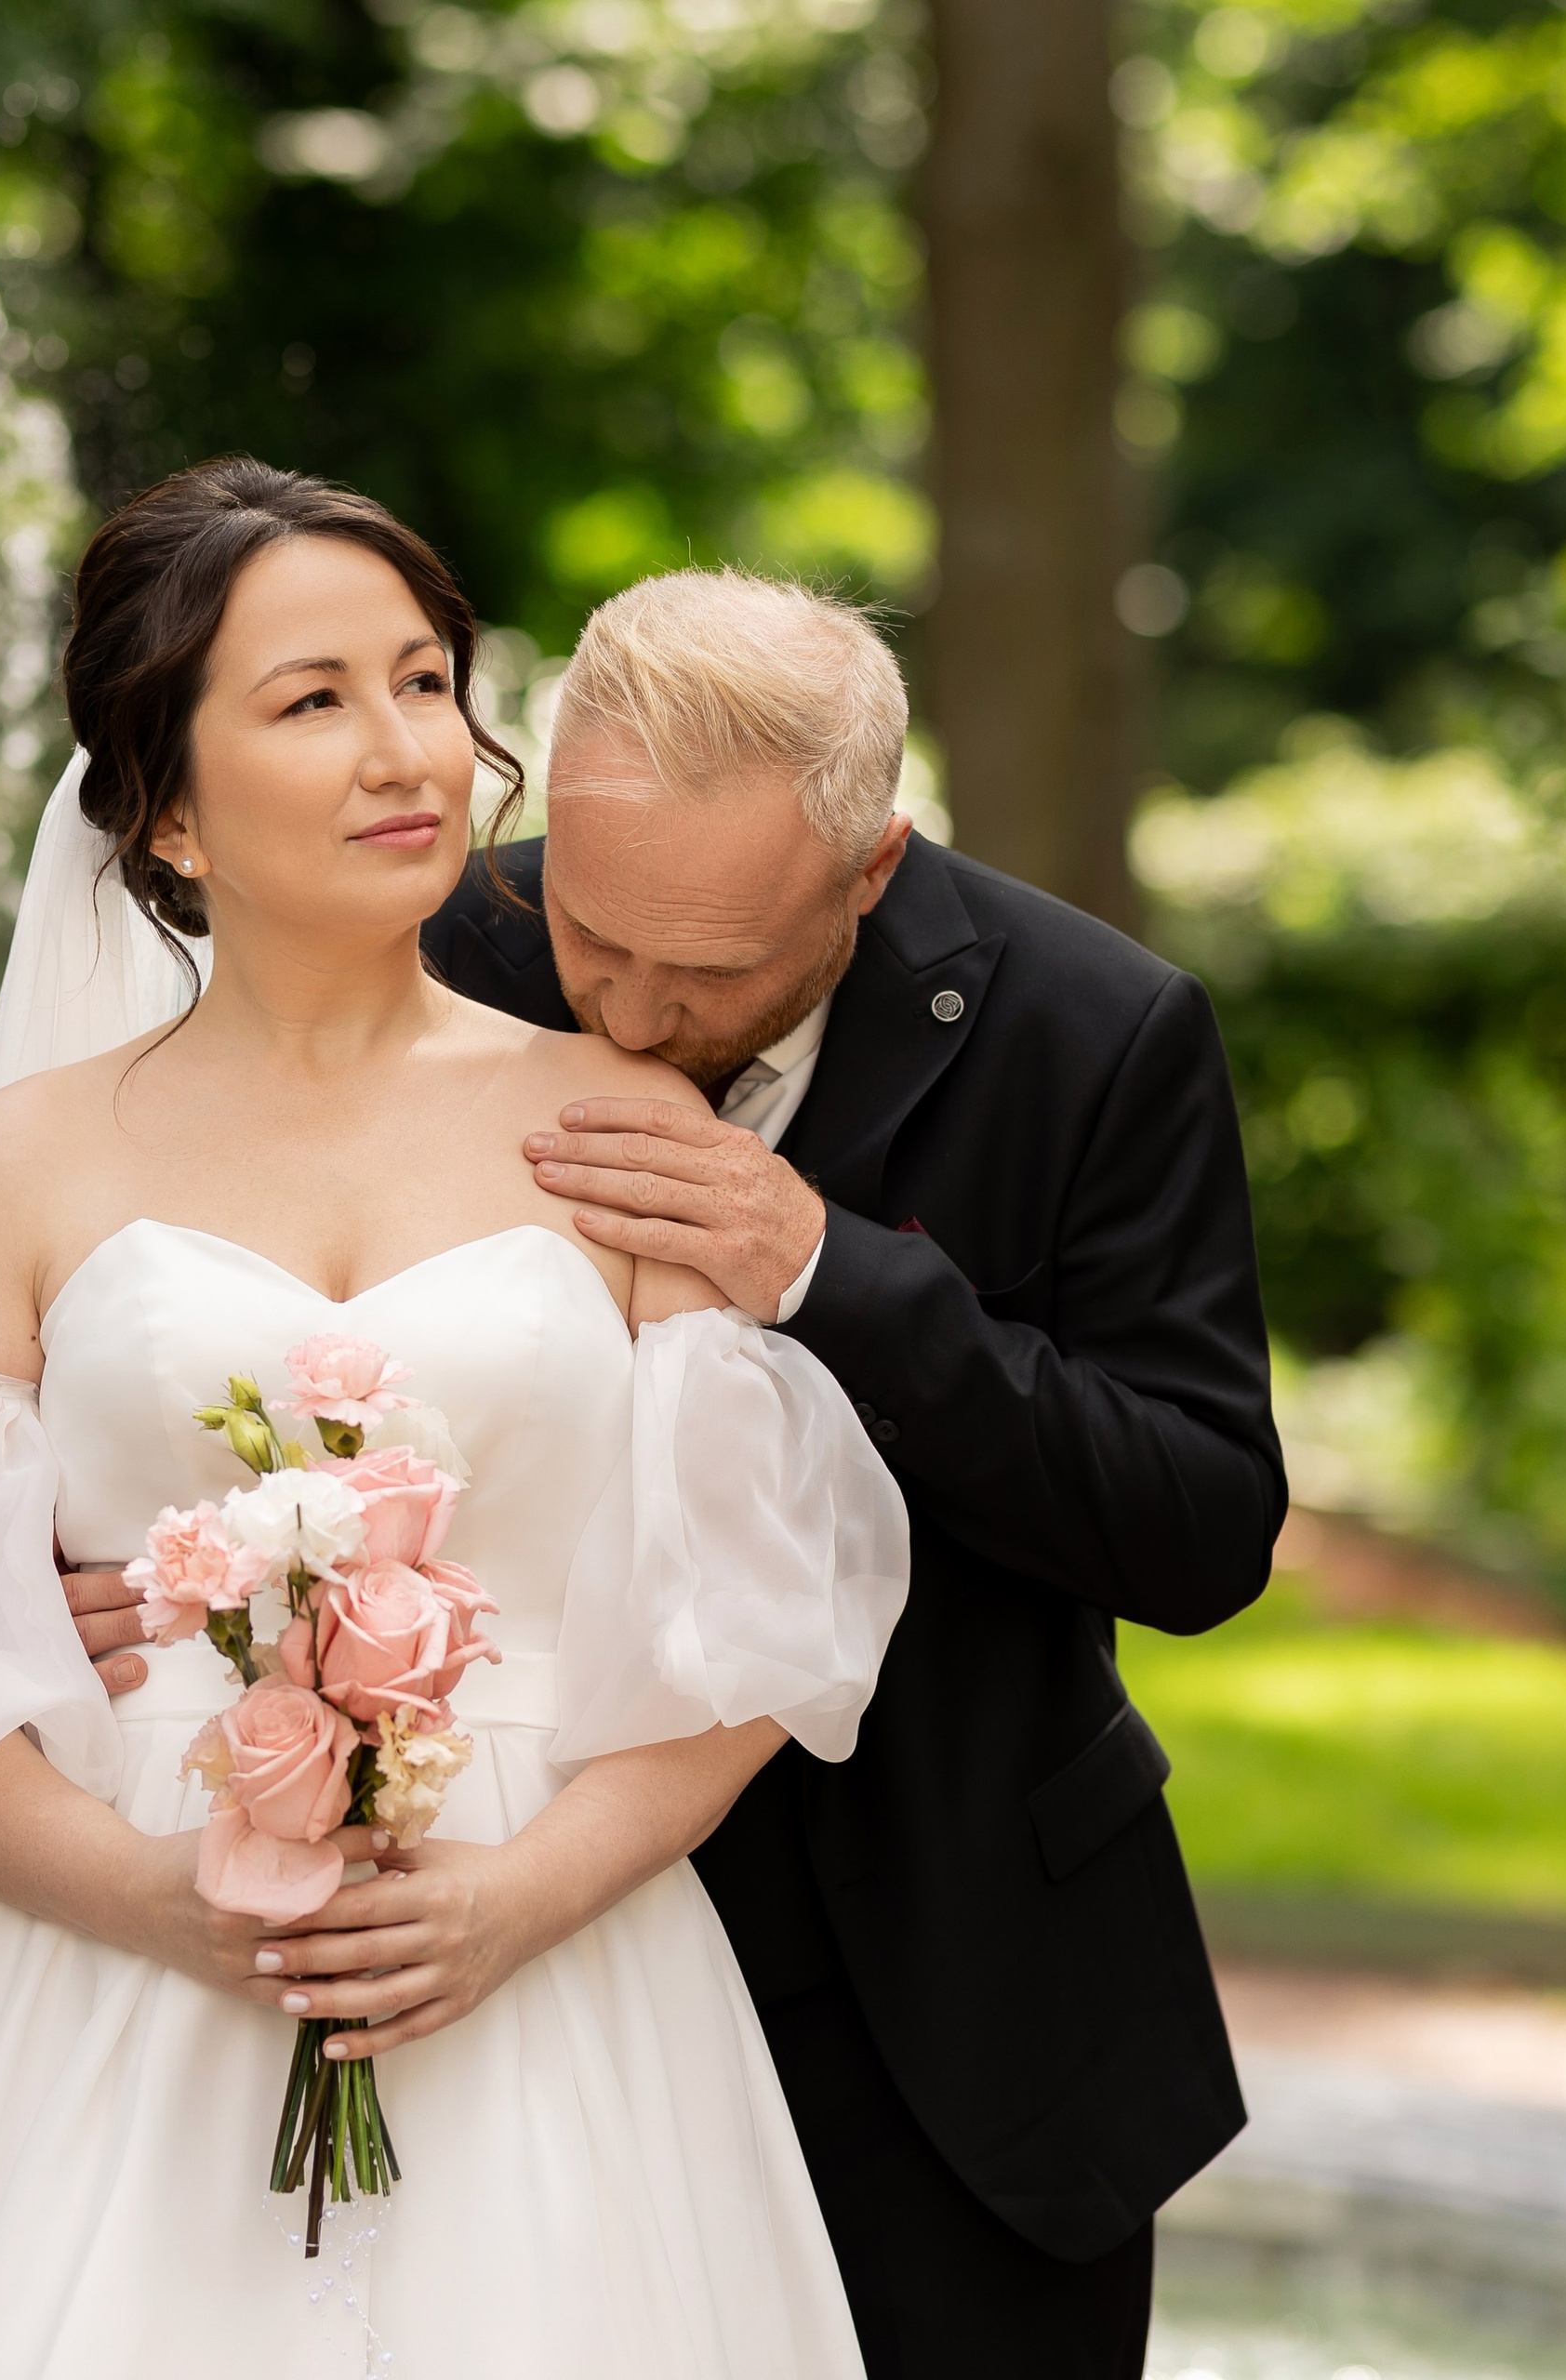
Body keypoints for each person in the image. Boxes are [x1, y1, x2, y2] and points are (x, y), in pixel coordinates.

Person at [0, 461, 909, 2378]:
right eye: (313, 698)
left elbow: (748, 1627)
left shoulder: (624, 1128)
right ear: (168, 812)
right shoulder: (27, 1158)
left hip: (535, 1973)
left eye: (427, 679)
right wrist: (159, 1897)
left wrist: (515, 1896)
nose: (407, 749)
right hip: (111, 1977)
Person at [72, 567, 1290, 2379]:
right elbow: (171, 1315)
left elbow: (1196, 1524)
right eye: (591, 933)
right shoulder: (428, 937)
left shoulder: (1090, 1031)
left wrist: (827, 1272)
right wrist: (112, 1563)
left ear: (868, 870)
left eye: (708, 972)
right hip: (517, 1975)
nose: (628, 1017)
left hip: (944, 2008)